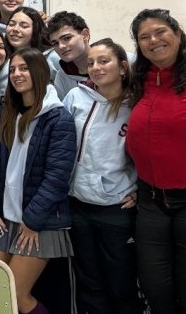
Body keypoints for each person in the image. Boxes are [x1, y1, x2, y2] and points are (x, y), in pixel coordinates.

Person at [125, 8, 186, 313]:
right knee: (155, 289)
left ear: (177, 34)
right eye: (144, 37)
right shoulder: (142, 76)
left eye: (161, 31)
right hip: (151, 202)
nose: (153, 40)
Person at [0, 47, 76, 314]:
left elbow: (57, 178)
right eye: (12, 69)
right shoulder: (6, 112)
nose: (17, 74)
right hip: (3, 217)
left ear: (40, 72)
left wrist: (32, 222)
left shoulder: (58, 118)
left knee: (17, 295)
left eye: (24, 68)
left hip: (38, 222)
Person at [64, 38, 142, 314]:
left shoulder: (137, 106)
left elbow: (150, 154)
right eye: (91, 63)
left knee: (121, 283)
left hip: (117, 209)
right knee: (89, 283)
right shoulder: (76, 97)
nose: (96, 67)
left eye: (104, 61)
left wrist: (140, 191)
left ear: (122, 67)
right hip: (79, 206)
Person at [47, 11, 91, 99]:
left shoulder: (116, 60)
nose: (61, 46)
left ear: (85, 35)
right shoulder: (62, 76)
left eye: (67, 38)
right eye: (55, 43)